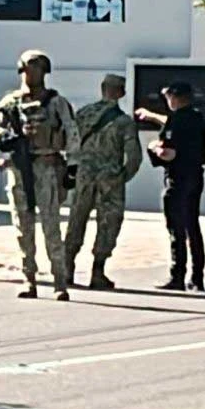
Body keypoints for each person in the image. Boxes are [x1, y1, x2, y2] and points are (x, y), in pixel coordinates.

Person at [0, 50, 80, 301]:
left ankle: (59, 281)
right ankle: (29, 279)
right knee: (22, 227)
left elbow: (72, 133)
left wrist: (72, 167)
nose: (32, 73)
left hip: (47, 166)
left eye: (38, 68)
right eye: (29, 68)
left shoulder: (56, 102)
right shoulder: (11, 102)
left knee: (51, 226)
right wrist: (7, 137)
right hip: (20, 168)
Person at [62, 73, 142, 289]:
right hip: (110, 179)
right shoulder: (124, 122)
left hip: (84, 177)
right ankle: (98, 271)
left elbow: (69, 142)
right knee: (109, 223)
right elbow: (134, 156)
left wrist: (74, 169)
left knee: (76, 219)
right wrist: (122, 177)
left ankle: (67, 268)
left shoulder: (83, 114)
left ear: (102, 88)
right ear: (122, 93)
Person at [135, 81, 205, 291]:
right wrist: (151, 116)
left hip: (178, 178)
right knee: (193, 227)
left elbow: (169, 153)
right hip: (195, 176)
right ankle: (197, 278)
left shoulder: (176, 122)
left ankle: (177, 276)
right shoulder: (197, 118)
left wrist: (153, 148)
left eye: (168, 97)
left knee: (176, 229)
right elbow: (170, 122)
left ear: (175, 98)